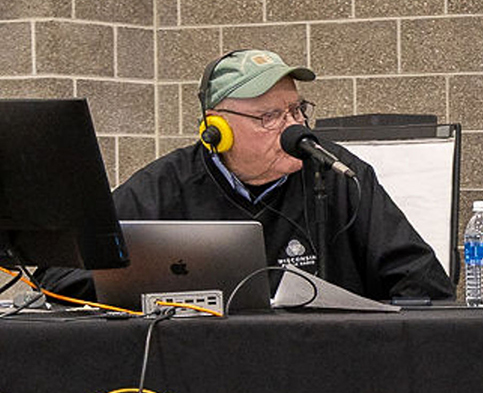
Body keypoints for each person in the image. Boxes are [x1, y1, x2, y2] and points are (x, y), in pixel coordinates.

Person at [49, 50, 453, 304]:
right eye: (270, 116)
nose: (294, 128)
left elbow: (422, 280)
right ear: (216, 130)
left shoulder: (339, 175)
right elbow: (61, 275)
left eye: (296, 110)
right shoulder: (165, 184)